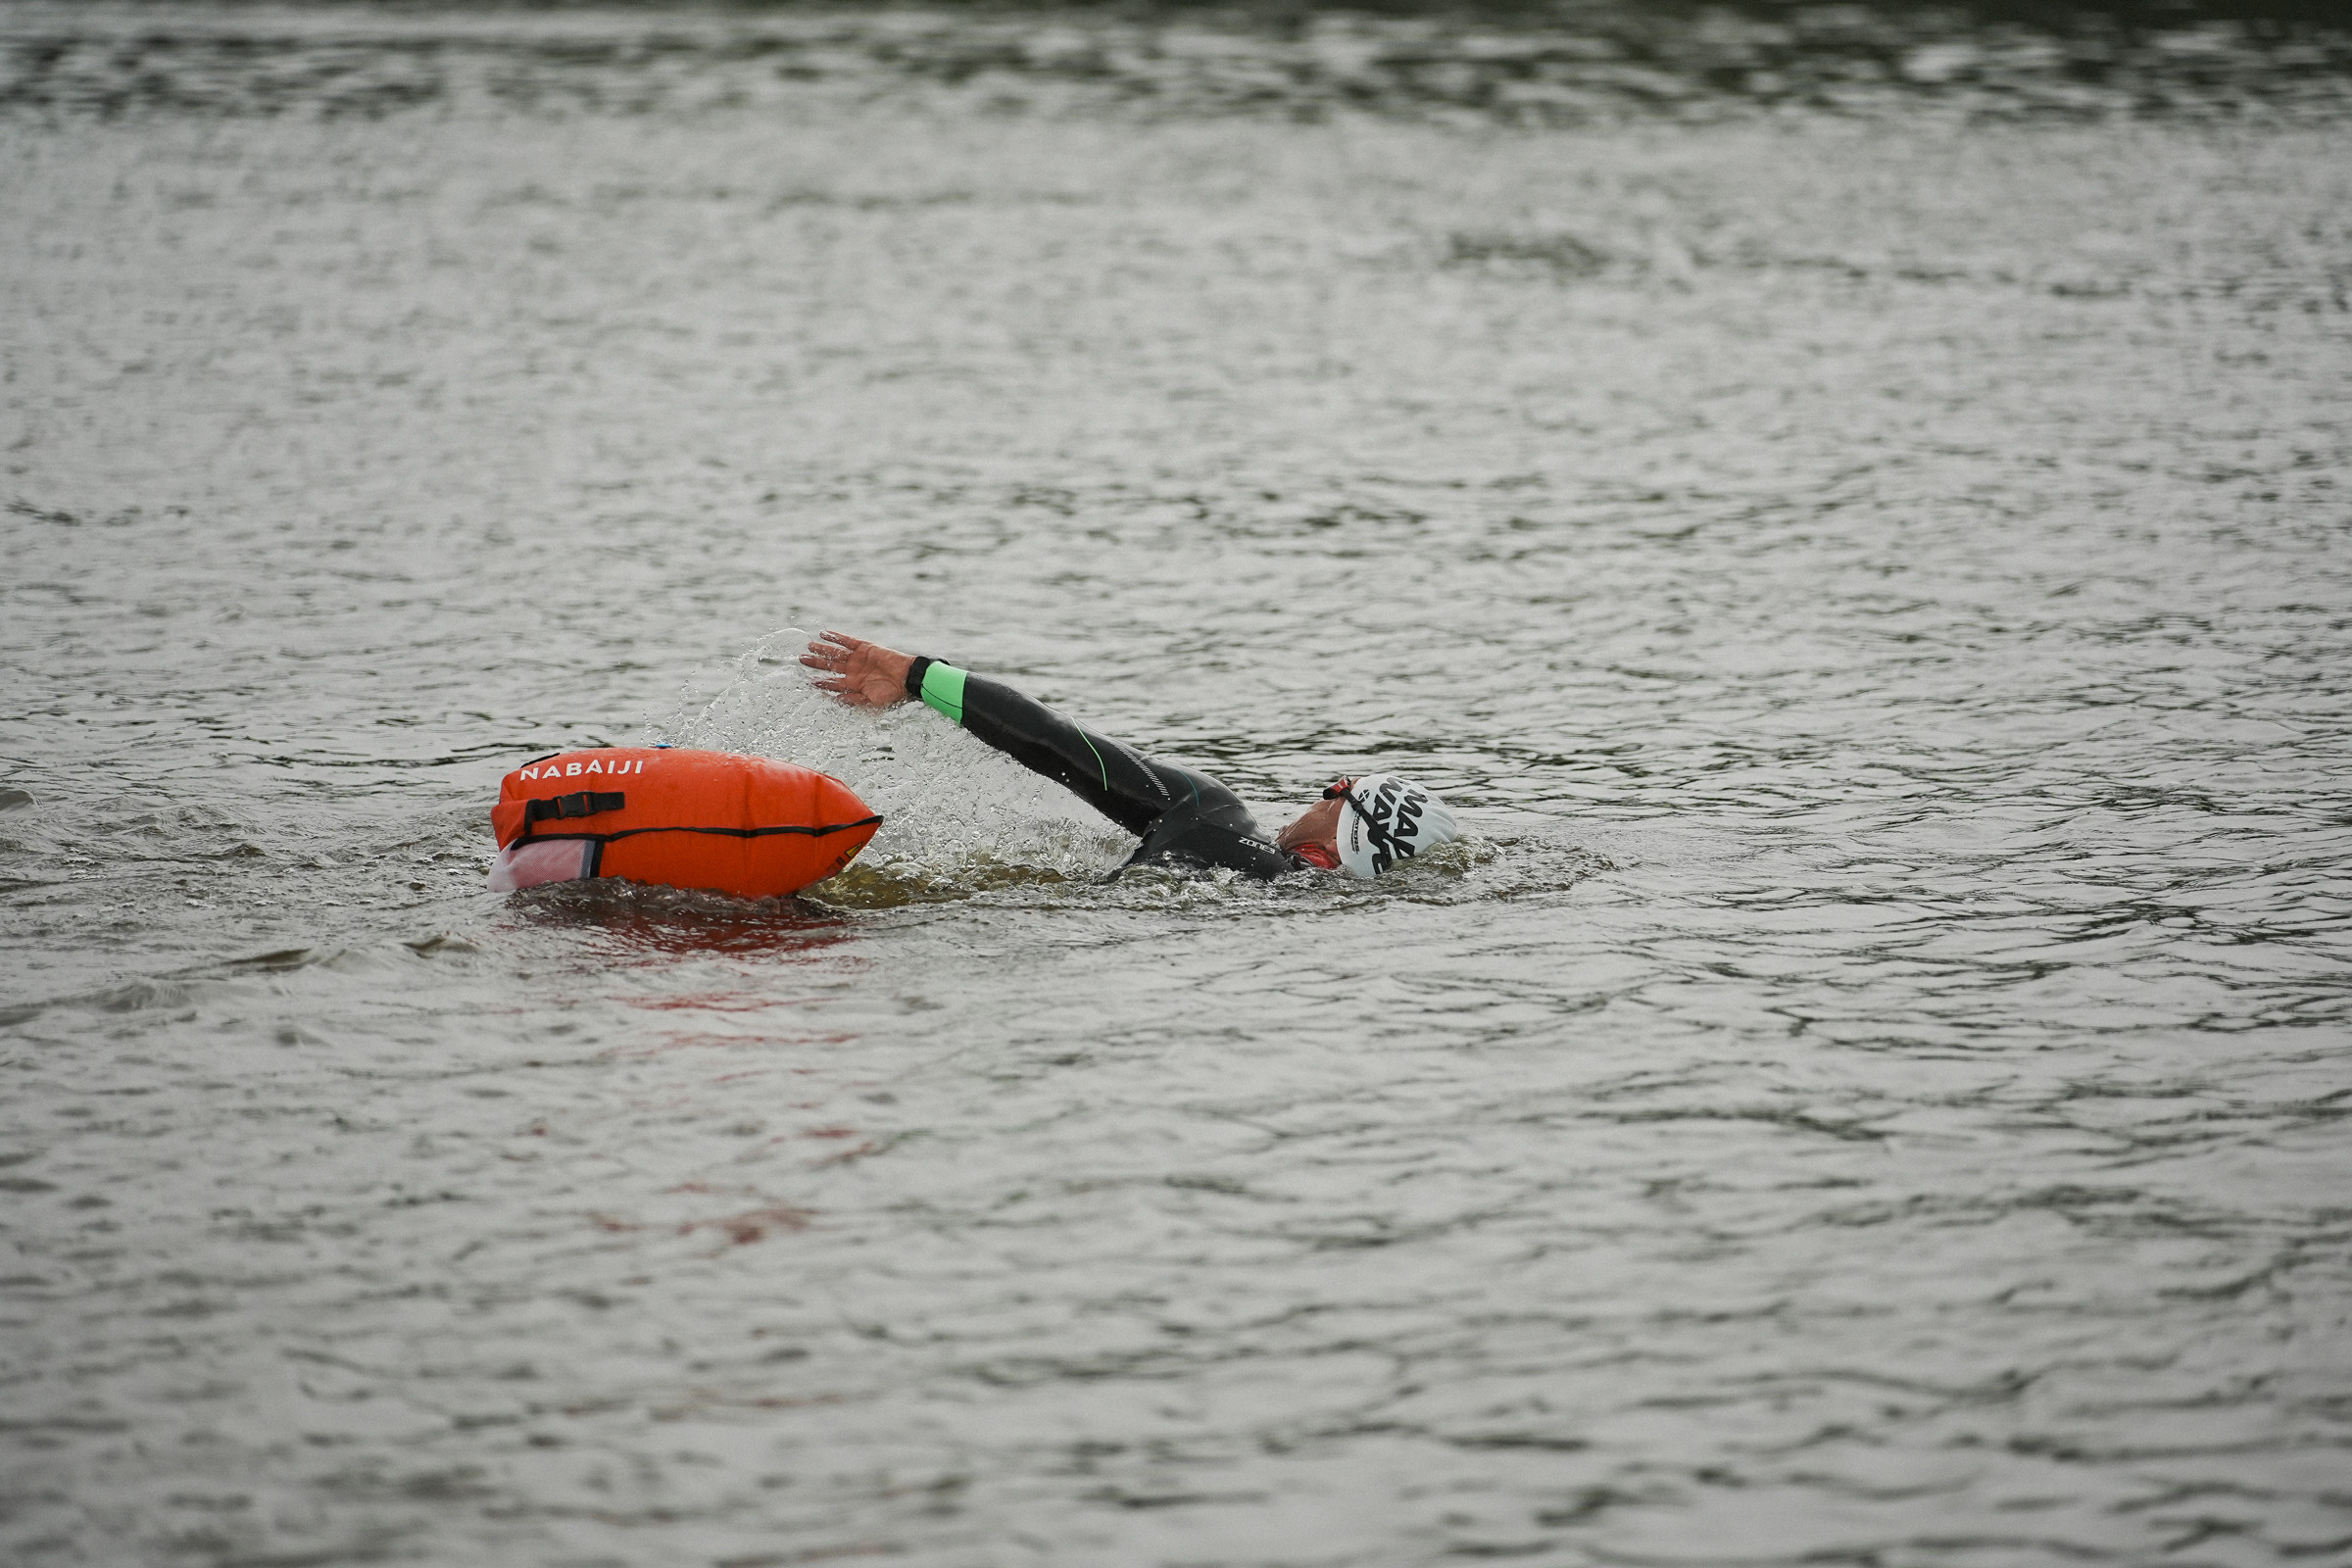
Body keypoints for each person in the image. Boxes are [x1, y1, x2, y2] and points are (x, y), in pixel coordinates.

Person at [801, 630, 1460, 879]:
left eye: (1335, 790)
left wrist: (917, 675)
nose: (1318, 795)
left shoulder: (1212, 819)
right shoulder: (1277, 891)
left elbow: (1057, 743)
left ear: (1334, 841)